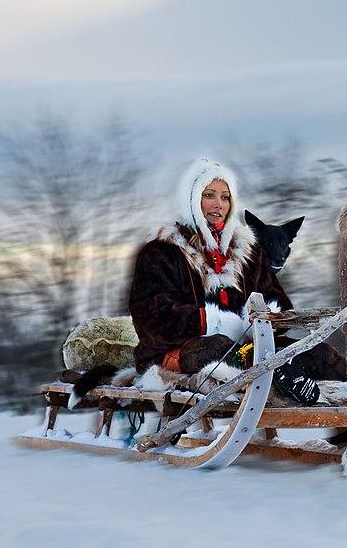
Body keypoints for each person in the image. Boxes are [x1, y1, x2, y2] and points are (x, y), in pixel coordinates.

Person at [128, 157, 324, 405]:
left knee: (316, 353)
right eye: (209, 195)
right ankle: (284, 378)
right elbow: (150, 315)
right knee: (220, 347)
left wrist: (263, 321)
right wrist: (215, 321)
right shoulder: (161, 251)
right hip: (176, 352)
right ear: (191, 199)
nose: (218, 204)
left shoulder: (249, 251)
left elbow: (279, 301)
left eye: (225, 197)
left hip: (248, 346)